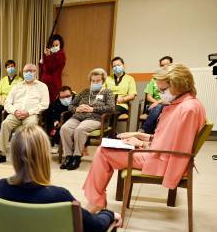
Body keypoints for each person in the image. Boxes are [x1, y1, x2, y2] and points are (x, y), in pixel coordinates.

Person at [83, 64, 206, 212]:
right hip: (160, 154)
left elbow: (176, 149)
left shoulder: (188, 109)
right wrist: (138, 135)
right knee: (110, 146)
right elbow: (169, 138)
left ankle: (96, 201)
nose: (160, 94)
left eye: (163, 90)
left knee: (103, 152)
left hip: (162, 160)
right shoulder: (186, 103)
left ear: (178, 85)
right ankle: (95, 199)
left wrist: (142, 144)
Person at [0, 124, 120, 232]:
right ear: (44, 156)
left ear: (14, 156)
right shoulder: (58, 196)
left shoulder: (2, 187)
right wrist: (108, 214)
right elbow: (95, 227)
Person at [0, 63, 49, 165]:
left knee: (31, 126)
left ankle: (28, 156)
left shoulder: (42, 86)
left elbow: (45, 104)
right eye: (26, 71)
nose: (28, 73)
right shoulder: (17, 86)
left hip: (31, 114)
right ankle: (2, 154)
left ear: (36, 72)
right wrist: (15, 111)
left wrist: (28, 112)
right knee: (5, 124)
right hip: (15, 114)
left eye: (31, 71)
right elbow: (7, 102)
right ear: (23, 72)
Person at [59, 69, 115, 170]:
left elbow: (111, 108)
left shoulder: (107, 92)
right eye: (93, 81)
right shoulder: (84, 92)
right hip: (78, 117)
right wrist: (77, 108)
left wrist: (93, 109)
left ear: (103, 81)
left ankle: (76, 156)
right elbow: (71, 105)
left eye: (98, 81)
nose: (95, 83)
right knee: (64, 128)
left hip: (95, 118)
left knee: (80, 129)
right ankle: (68, 156)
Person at [140, 55, 173, 134]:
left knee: (160, 106)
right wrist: (157, 102)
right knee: (158, 107)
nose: (164, 67)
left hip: (168, 105)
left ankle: (145, 131)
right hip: (153, 106)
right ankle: (146, 131)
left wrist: (159, 102)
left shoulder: (174, 80)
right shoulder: (154, 80)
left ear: (172, 65)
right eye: (162, 65)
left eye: (167, 65)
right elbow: (149, 97)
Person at [0, 60, 23, 135]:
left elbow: (20, 94)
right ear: (6, 69)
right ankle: (0, 132)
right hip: (2, 102)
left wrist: (10, 103)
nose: (10, 68)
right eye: (8, 67)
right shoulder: (3, 79)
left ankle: (9, 132)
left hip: (13, 103)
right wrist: (2, 102)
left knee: (9, 114)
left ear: (15, 67)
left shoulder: (20, 80)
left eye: (12, 66)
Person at [43, 85, 73, 153]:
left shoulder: (76, 101)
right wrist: (55, 121)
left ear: (71, 94)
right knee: (54, 124)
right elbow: (54, 113)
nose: (65, 99)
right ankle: (56, 144)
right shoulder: (57, 102)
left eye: (67, 96)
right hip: (60, 121)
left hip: (73, 120)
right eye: (62, 97)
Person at [39, 34, 67, 102]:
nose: (54, 47)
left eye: (56, 45)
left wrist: (47, 57)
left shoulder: (61, 55)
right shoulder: (51, 54)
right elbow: (44, 69)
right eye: (53, 45)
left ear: (61, 45)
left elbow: (50, 67)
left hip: (53, 84)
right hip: (44, 83)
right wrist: (41, 63)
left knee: (49, 103)